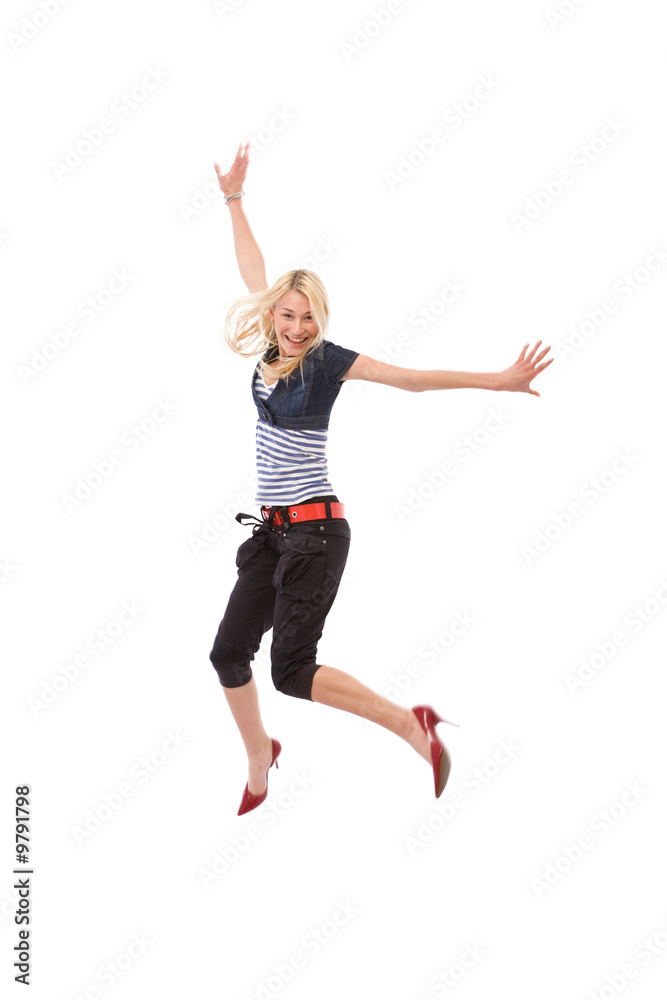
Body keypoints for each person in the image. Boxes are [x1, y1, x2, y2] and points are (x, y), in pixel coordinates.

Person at [210, 141, 554, 816]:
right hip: (273, 537)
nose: (297, 327)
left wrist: (498, 381)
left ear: (319, 323)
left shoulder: (325, 361)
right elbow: (254, 270)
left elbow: (410, 381)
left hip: (314, 535)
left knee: (291, 672)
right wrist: (234, 199)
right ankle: (260, 754)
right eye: (287, 315)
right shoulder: (267, 346)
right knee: (227, 655)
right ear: (273, 315)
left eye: (308, 318)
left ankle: (407, 722)